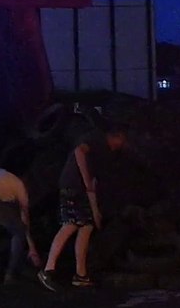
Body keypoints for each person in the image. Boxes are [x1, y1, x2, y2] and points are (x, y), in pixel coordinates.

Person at [38, 124, 128, 291]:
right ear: (117, 136)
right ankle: (48, 269)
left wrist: (95, 210)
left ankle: (81, 274)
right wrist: (86, 181)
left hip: (82, 190)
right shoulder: (96, 140)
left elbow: (94, 185)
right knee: (71, 224)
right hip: (74, 186)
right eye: (122, 141)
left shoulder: (105, 154)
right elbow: (79, 152)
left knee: (86, 226)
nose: (121, 146)